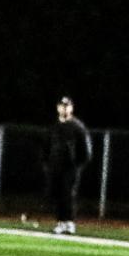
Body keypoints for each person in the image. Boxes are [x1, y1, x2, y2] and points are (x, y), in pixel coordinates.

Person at [45, 96, 94, 235]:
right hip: (55, 167)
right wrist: (47, 163)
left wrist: (77, 164)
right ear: (58, 107)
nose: (64, 108)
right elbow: (47, 146)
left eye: (67, 106)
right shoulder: (54, 126)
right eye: (62, 106)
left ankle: (69, 223)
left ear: (71, 108)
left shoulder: (77, 127)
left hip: (70, 168)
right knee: (57, 194)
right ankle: (60, 222)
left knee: (68, 194)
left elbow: (85, 150)